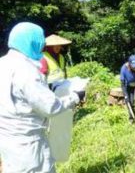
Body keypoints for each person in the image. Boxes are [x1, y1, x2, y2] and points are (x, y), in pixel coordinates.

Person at [0, 22, 83, 173]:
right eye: (40, 41)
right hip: (29, 141)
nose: (42, 45)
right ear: (31, 41)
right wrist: (75, 97)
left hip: (7, 138)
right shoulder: (26, 70)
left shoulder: (3, 63)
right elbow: (50, 106)